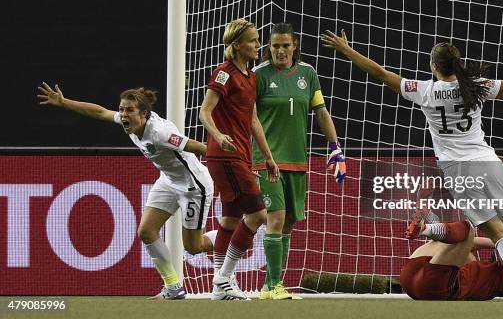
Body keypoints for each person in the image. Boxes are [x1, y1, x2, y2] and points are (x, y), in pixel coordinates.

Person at [321, 31, 503, 302]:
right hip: (488, 161)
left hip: (459, 170)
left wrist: (347, 50)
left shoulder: (424, 91)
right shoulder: (475, 86)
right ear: (458, 63)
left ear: (433, 66)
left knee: (499, 237)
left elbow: (379, 72)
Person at [37, 84, 215, 300]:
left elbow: (198, 147)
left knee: (194, 247)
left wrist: (230, 153)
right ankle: (173, 287)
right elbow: (100, 112)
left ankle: (233, 234)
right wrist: (64, 102)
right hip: (168, 180)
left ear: (143, 114)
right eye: (121, 109)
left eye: (129, 110)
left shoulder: (160, 133)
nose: (123, 115)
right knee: (146, 232)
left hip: (193, 185)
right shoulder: (128, 123)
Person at [252, 23, 346, 300]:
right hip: (267, 161)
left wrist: (335, 147)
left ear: (295, 46)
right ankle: (271, 286)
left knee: (290, 221)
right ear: (269, 48)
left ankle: (273, 284)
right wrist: (261, 155)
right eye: (275, 46)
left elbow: (321, 111)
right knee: (276, 218)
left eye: (285, 45)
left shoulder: (308, 73)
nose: (280, 51)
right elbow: (248, 118)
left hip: (297, 160)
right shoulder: (258, 75)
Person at [199, 18, 280, 300]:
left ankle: (219, 286)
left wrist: (268, 157)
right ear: (236, 46)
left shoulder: (251, 77)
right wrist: (218, 135)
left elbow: (254, 120)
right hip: (225, 156)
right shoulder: (223, 73)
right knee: (258, 215)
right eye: (253, 40)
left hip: (241, 156)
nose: (259, 45)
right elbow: (205, 112)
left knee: (231, 220)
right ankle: (223, 278)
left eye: (258, 40)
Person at [401, 220, 503, 301]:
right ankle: (426, 228)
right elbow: (469, 245)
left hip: (433, 285)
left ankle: (425, 229)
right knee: (445, 240)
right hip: (414, 282)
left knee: (468, 229)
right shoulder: (488, 282)